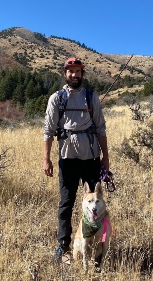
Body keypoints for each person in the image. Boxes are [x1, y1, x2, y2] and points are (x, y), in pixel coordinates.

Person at [43, 57, 109, 264]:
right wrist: (46, 159)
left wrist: (105, 158)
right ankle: (63, 246)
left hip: (91, 158)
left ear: (82, 74)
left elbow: (101, 129)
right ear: (65, 74)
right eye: (70, 71)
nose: (74, 75)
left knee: (95, 203)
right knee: (66, 203)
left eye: (78, 71)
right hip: (67, 158)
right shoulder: (56, 99)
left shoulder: (92, 98)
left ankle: (98, 244)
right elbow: (48, 130)